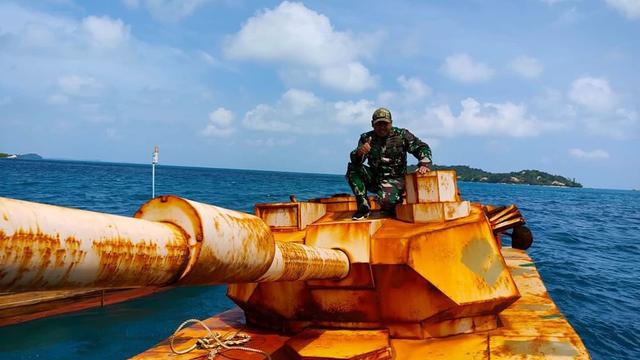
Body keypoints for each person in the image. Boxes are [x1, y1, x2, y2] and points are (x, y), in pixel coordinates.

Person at [347, 107, 432, 220]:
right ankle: (363, 208)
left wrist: (423, 163)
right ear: (372, 124)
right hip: (375, 177)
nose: (382, 127)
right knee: (353, 168)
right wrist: (359, 153)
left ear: (391, 123)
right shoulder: (367, 138)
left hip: (396, 180)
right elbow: (356, 161)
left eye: (385, 124)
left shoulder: (402, 135)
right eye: (378, 124)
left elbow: (422, 147)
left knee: (386, 202)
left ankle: (394, 202)